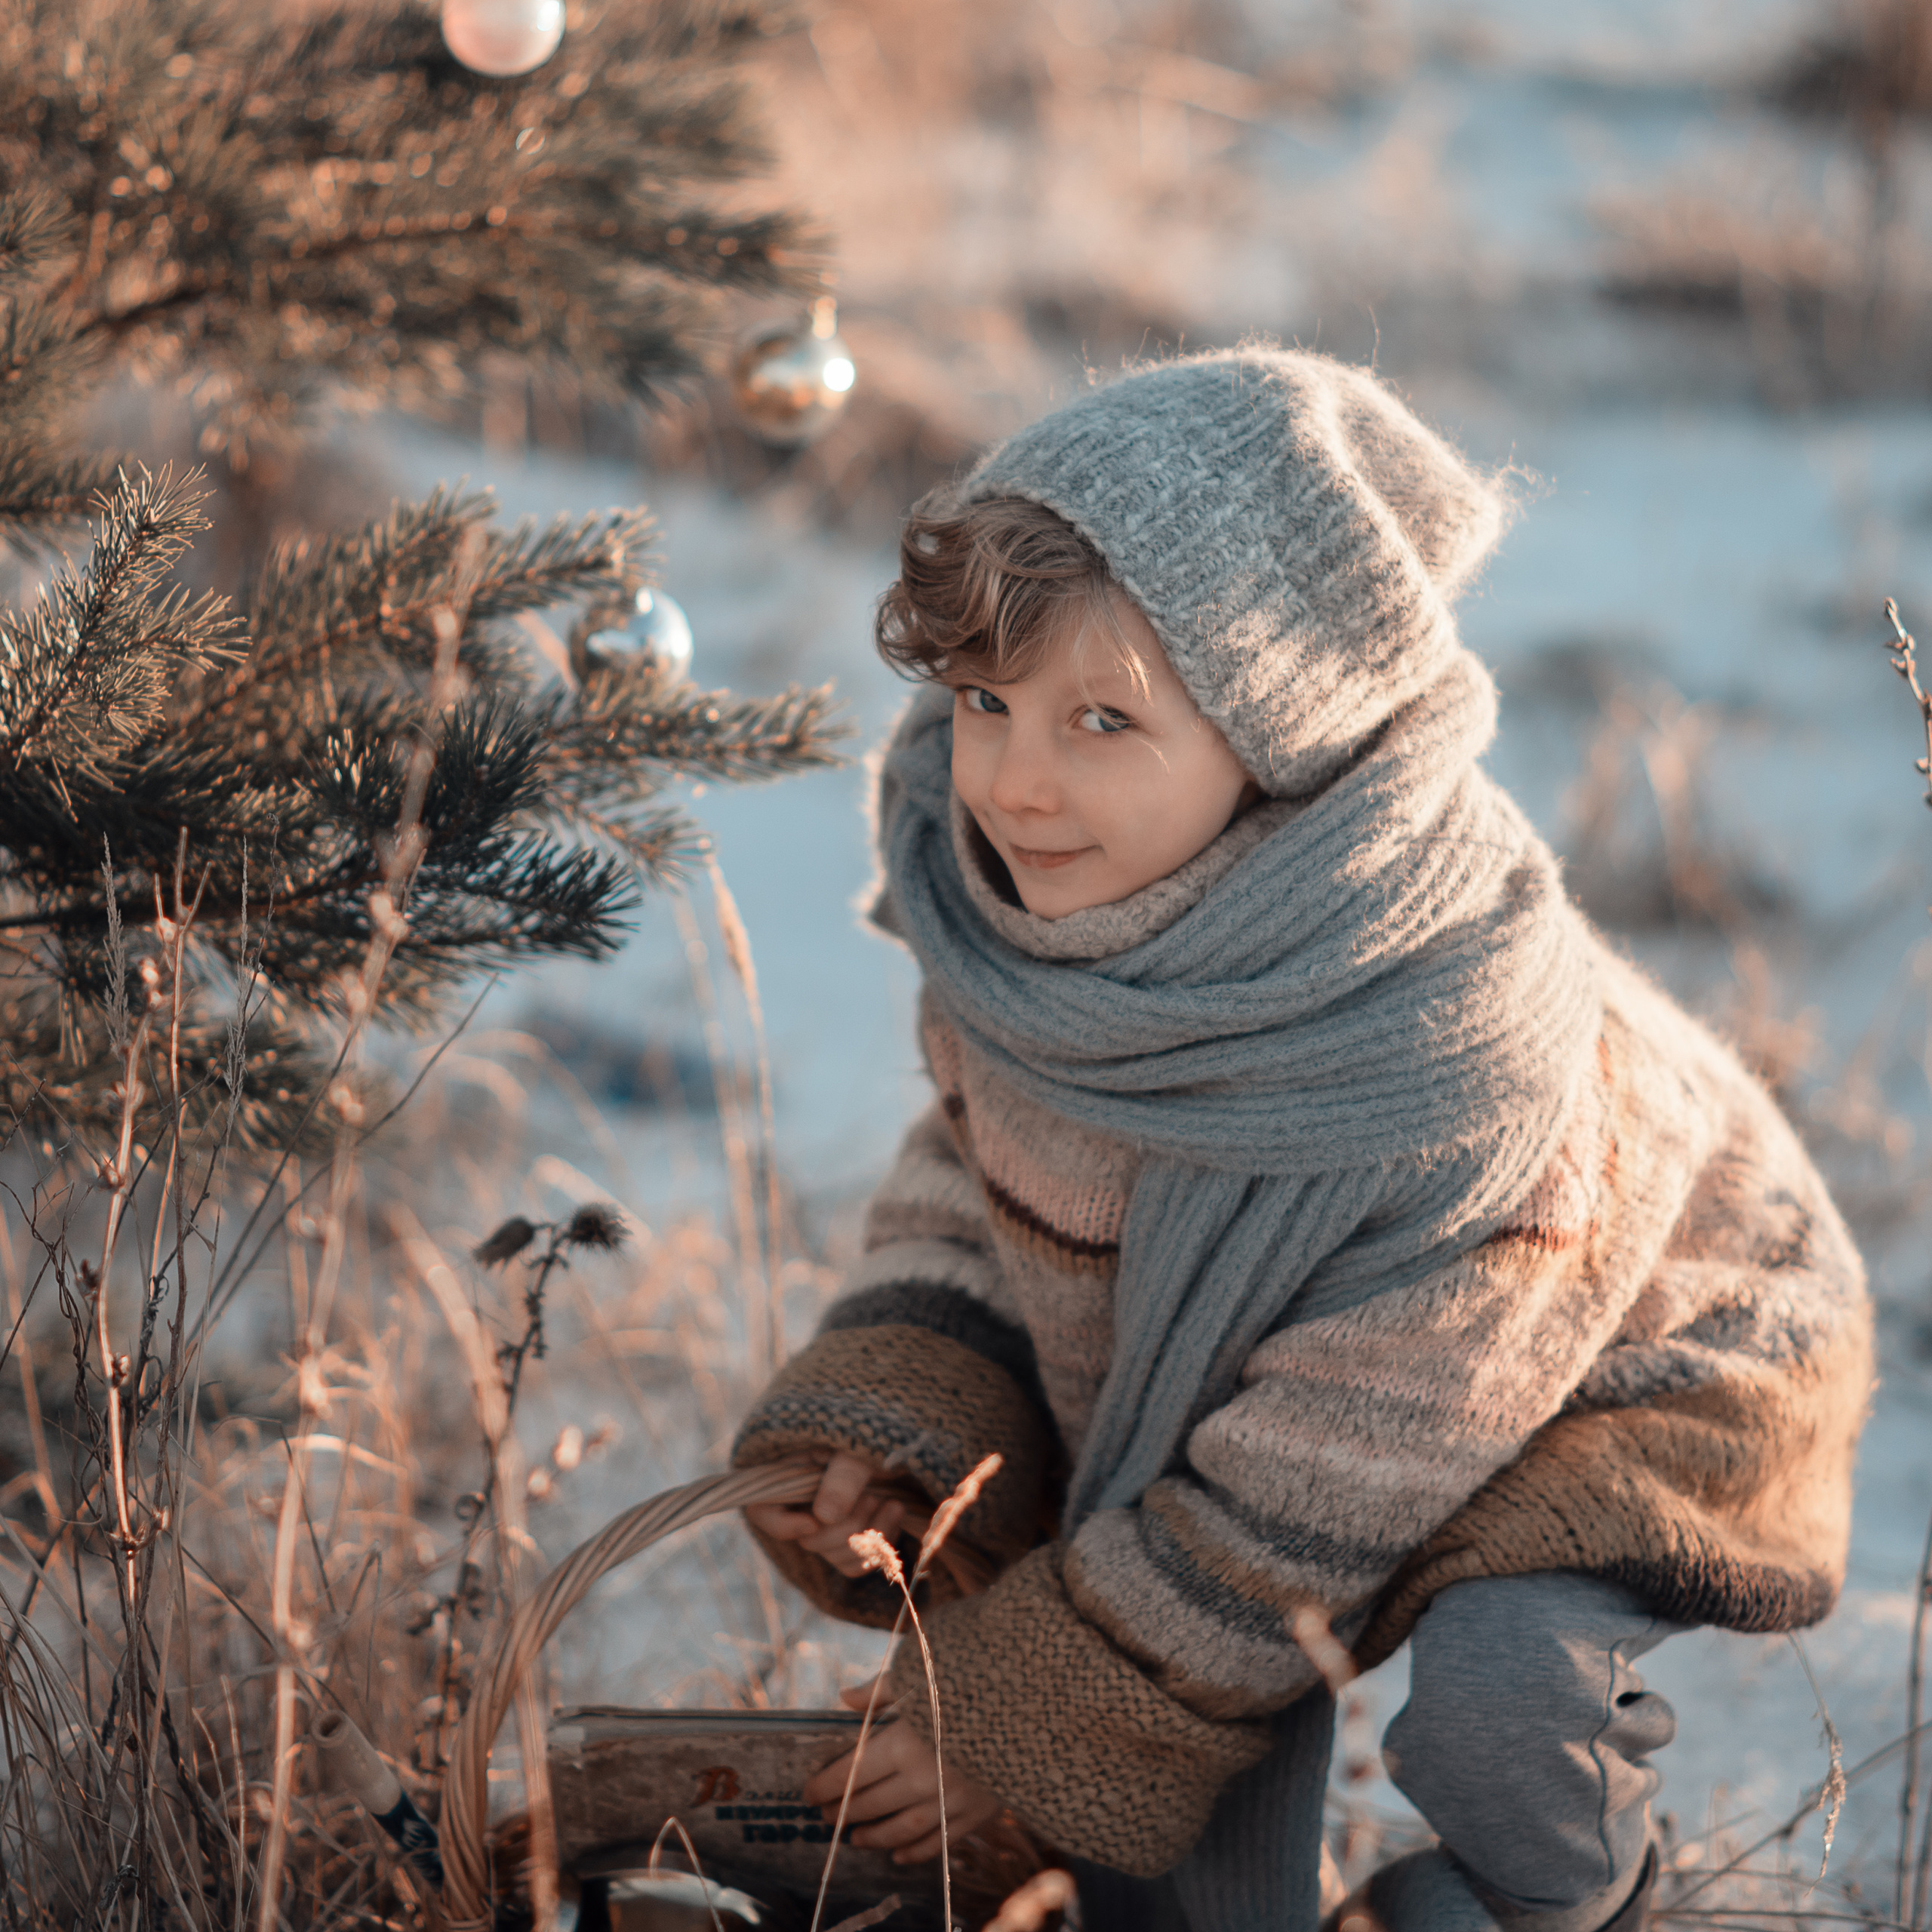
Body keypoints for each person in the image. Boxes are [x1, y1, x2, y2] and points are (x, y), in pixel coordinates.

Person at [732, 348, 1872, 1932]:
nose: (1013, 782)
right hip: (1352, 1385)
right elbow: (991, 1173)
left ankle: (1562, 1903)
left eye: (1102, 719)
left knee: (1498, 1696)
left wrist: (1030, 1716)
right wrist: (913, 1418)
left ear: (1285, 740)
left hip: (1642, 1339)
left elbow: (1307, 1493)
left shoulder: (1455, 1068)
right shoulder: (1027, 938)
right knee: (1195, 1583)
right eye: (983, 701)